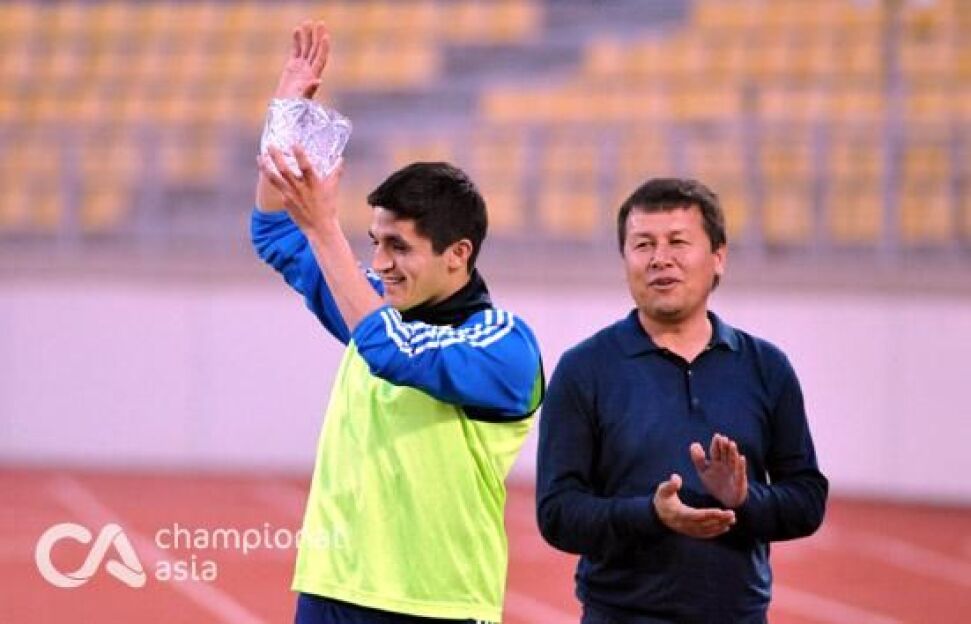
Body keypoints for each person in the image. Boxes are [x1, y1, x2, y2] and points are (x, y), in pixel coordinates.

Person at [251, 21, 544, 624]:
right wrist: (287, 114)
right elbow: (274, 231)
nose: (380, 263)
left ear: (457, 254)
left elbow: (396, 351)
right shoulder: (372, 310)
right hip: (331, 592)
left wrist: (325, 228)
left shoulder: (506, 346)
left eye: (399, 247)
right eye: (374, 242)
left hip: (437, 606)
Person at [536, 178, 828, 623]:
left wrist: (743, 499)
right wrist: (651, 514)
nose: (660, 258)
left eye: (677, 242)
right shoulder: (584, 369)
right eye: (643, 244)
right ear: (625, 259)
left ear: (718, 257)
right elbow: (557, 513)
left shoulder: (766, 367)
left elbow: (807, 500)